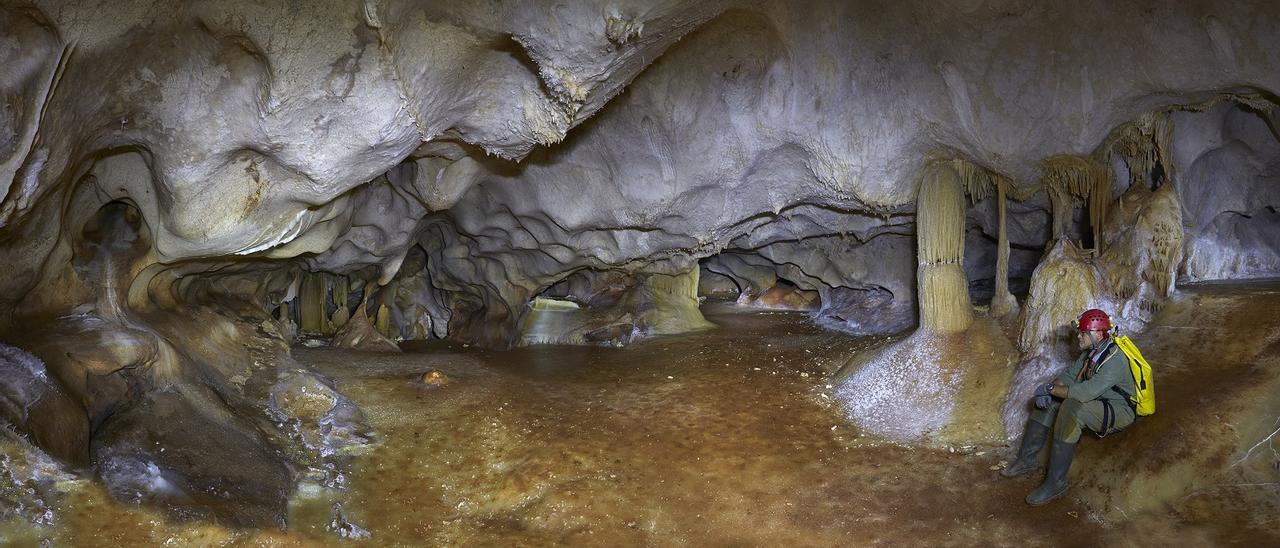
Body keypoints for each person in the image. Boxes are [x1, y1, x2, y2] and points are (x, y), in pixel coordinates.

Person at [1000, 308, 1137, 506]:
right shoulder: (1091, 353)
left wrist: (1049, 388)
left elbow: (1084, 393)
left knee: (1071, 408)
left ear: (1098, 334)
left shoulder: (1115, 359)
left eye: (1083, 333)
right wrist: (1048, 391)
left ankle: (1056, 483)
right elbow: (1068, 377)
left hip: (1119, 409)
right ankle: (1026, 460)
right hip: (1097, 401)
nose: (1079, 336)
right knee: (1049, 402)